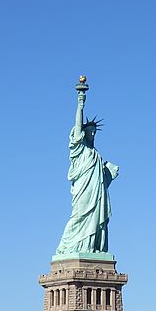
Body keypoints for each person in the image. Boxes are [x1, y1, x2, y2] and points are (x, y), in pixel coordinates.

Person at [56, 82, 120, 255]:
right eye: (89, 131)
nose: (92, 134)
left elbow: (102, 179)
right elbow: (78, 127)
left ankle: (91, 247)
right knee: (79, 216)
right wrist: (80, 103)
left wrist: (109, 172)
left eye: (94, 132)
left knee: (95, 218)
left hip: (97, 193)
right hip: (83, 191)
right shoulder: (79, 149)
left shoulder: (96, 153)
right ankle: (67, 247)